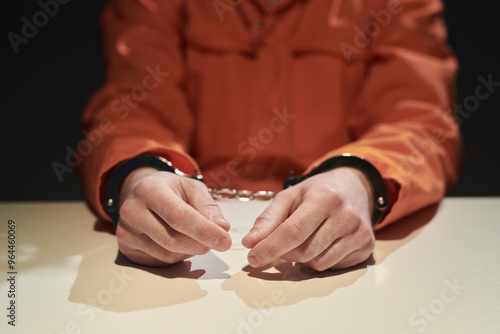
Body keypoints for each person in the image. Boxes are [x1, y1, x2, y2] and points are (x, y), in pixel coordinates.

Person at [78, 0, 461, 271]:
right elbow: (131, 107)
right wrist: (139, 175)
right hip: (194, 253)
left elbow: (422, 122)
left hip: (339, 251)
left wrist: (361, 180)